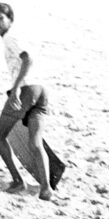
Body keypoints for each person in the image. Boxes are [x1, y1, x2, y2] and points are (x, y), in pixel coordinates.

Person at [0, 3, 52, 200]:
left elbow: (28, 59)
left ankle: (18, 181)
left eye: (1, 19)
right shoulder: (20, 36)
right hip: (42, 91)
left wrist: (15, 90)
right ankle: (46, 188)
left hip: (27, 90)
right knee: (35, 142)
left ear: (10, 20)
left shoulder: (10, 38)